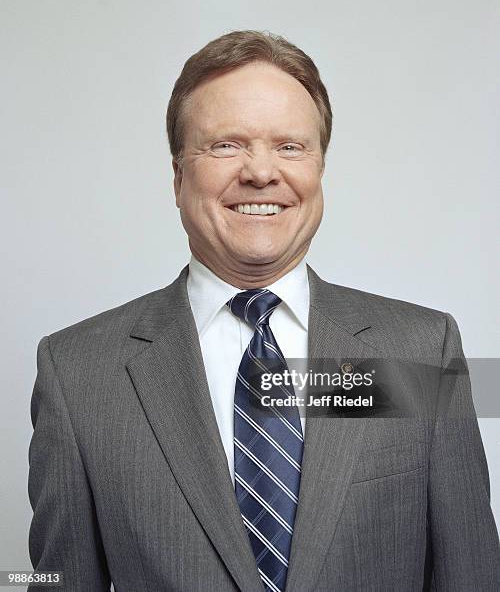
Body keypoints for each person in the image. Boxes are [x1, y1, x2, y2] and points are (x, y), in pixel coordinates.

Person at [28, 30, 500, 591]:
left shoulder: (423, 349)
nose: (260, 171)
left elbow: (472, 575)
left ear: (320, 169)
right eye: (226, 145)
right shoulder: (79, 372)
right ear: (178, 177)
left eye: (290, 146)